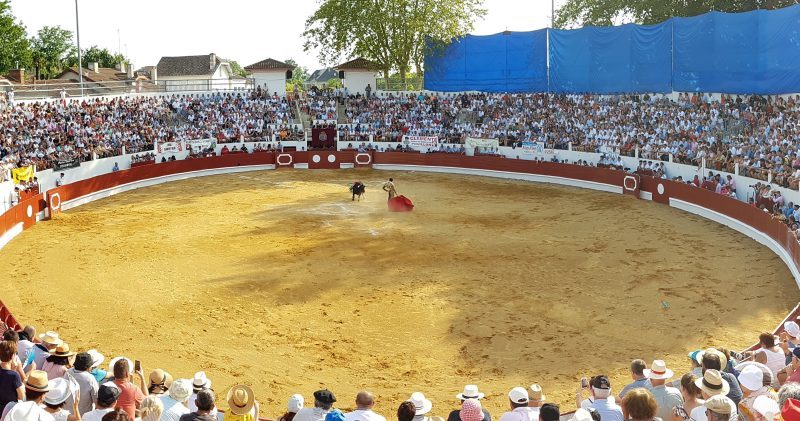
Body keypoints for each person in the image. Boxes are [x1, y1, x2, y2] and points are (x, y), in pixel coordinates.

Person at [0, 341, 23, 415]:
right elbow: (21, 396)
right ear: (13, 356)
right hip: (8, 411)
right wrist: (14, 371)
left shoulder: (13, 374)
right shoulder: (14, 375)